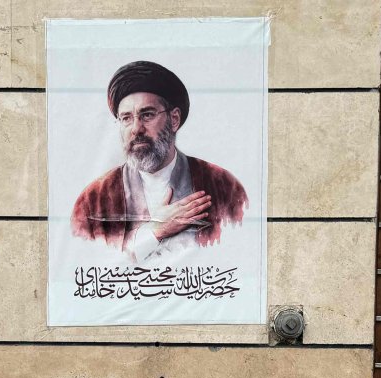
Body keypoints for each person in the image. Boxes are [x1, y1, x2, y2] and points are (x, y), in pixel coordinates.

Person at [70, 60, 249, 262]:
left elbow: (239, 258)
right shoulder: (93, 200)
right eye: (126, 118)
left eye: (147, 115)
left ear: (174, 119)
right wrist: (155, 231)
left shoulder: (224, 187)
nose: (136, 129)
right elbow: (85, 267)